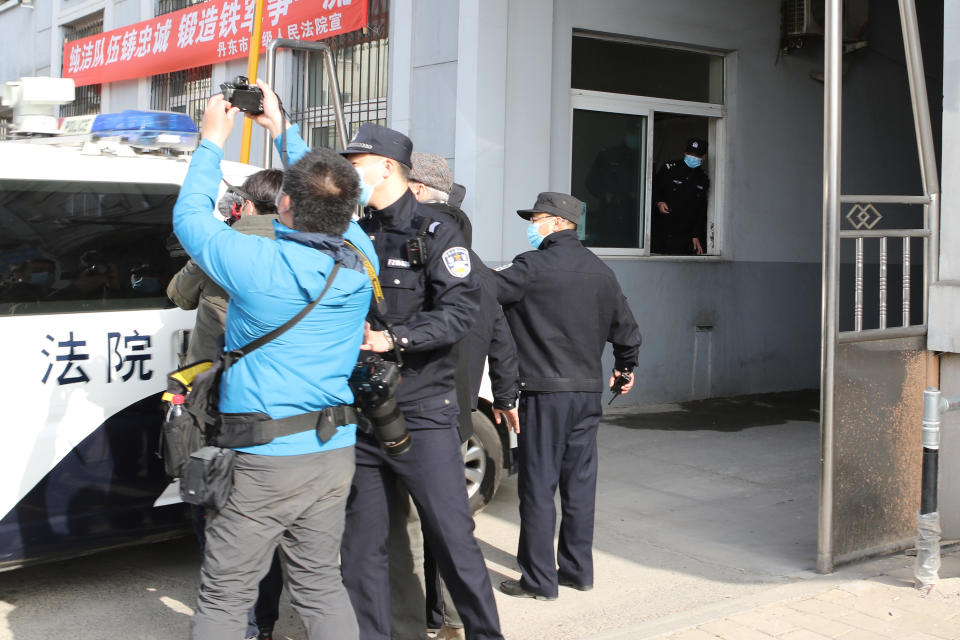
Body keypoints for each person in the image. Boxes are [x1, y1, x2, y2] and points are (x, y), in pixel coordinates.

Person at [175, 86, 376, 640]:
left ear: (285, 206)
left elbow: (190, 216)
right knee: (318, 584)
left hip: (265, 460)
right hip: (333, 451)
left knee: (225, 595)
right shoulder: (360, 261)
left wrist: (212, 139)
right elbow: (332, 201)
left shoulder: (257, 263)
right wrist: (282, 130)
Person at [338, 123, 504, 640]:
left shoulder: (436, 233)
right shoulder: (355, 233)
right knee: (363, 548)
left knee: (453, 536)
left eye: (356, 165)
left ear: (386, 166)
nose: (349, 175)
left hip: (423, 415)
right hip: (363, 416)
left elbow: (459, 314)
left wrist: (393, 340)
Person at [493, 191, 642, 601]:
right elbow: (627, 330)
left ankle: (539, 580)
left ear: (558, 222)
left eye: (536, 218)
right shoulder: (601, 272)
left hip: (544, 395)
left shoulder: (530, 268)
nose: (531, 225)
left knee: (538, 487)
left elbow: (483, 291)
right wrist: (625, 366)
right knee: (579, 486)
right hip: (586, 396)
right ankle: (577, 571)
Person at [166, 168, 285, 640]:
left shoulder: (220, 244)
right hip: (281, 406)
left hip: (216, 404)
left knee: (213, 508)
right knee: (269, 518)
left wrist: (216, 236)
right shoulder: (310, 249)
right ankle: (265, 620)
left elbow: (178, 294)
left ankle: (239, 622)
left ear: (245, 205)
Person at [407, 153, 520, 640]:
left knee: (408, 526)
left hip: (407, 419)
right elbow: (502, 341)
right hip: (452, 420)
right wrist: (507, 397)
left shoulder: (408, 262)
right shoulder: (479, 273)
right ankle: (451, 621)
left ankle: (413, 619)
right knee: (450, 527)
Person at [651, 137, 710, 255]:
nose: (692, 157)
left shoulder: (703, 178)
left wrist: (696, 235)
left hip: (685, 234)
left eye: (697, 155)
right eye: (690, 153)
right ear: (685, 153)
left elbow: (701, 210)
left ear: (704, 157)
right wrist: (659, 202)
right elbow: (653, 189)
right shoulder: (669, 168)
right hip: (663, 229)